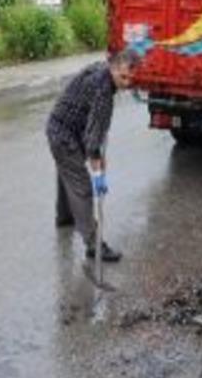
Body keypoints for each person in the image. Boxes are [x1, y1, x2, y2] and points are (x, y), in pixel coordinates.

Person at [47, 50, 141, 262]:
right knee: (82, 188)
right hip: (63, 133)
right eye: (123, 77)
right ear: (114, 68)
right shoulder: (103, 92)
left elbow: (93, 130)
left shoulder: (100, 69)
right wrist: (99, 174)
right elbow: (93, 141)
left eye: (131, 79)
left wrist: (97, 155)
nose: (126, 83)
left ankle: (64, 217)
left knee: (68, 171)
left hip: (67, 126)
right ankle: (94, 245)